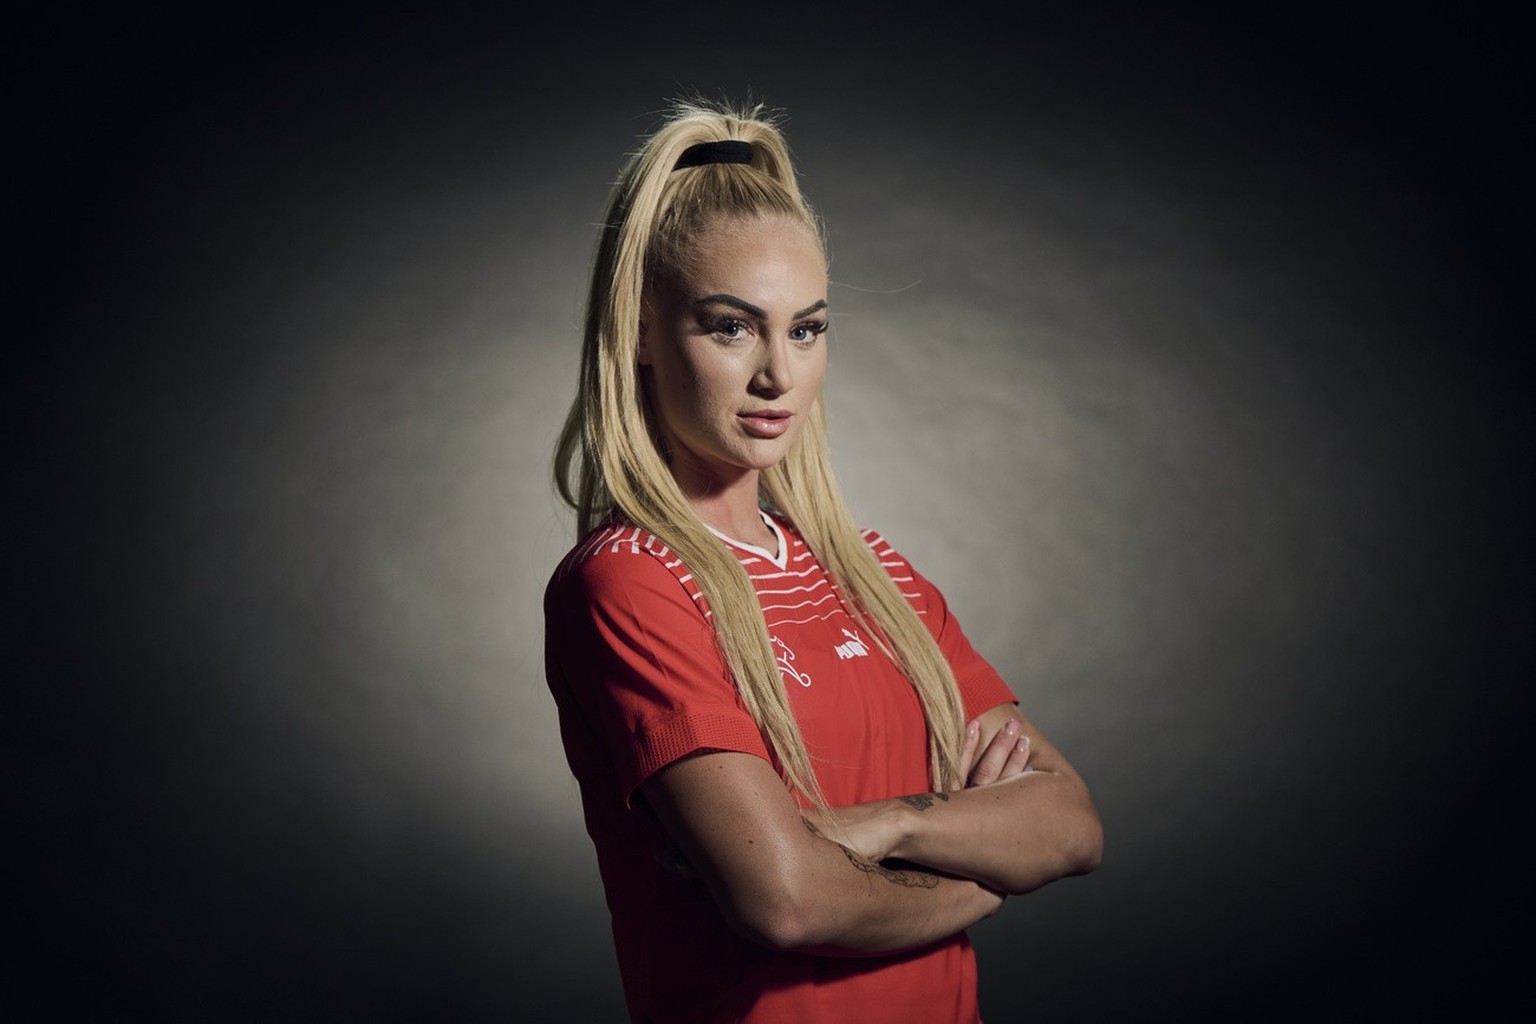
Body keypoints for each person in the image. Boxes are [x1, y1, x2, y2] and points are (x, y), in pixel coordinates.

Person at [543, 97, 1102, 1023]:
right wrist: (986, 873)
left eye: (806, 328)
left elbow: (1072, 825)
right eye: (730, 327)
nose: (778, 374)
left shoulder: (871, 571)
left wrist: (897, 822)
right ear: (640, 332)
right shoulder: (631, 582)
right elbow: (788, 901)